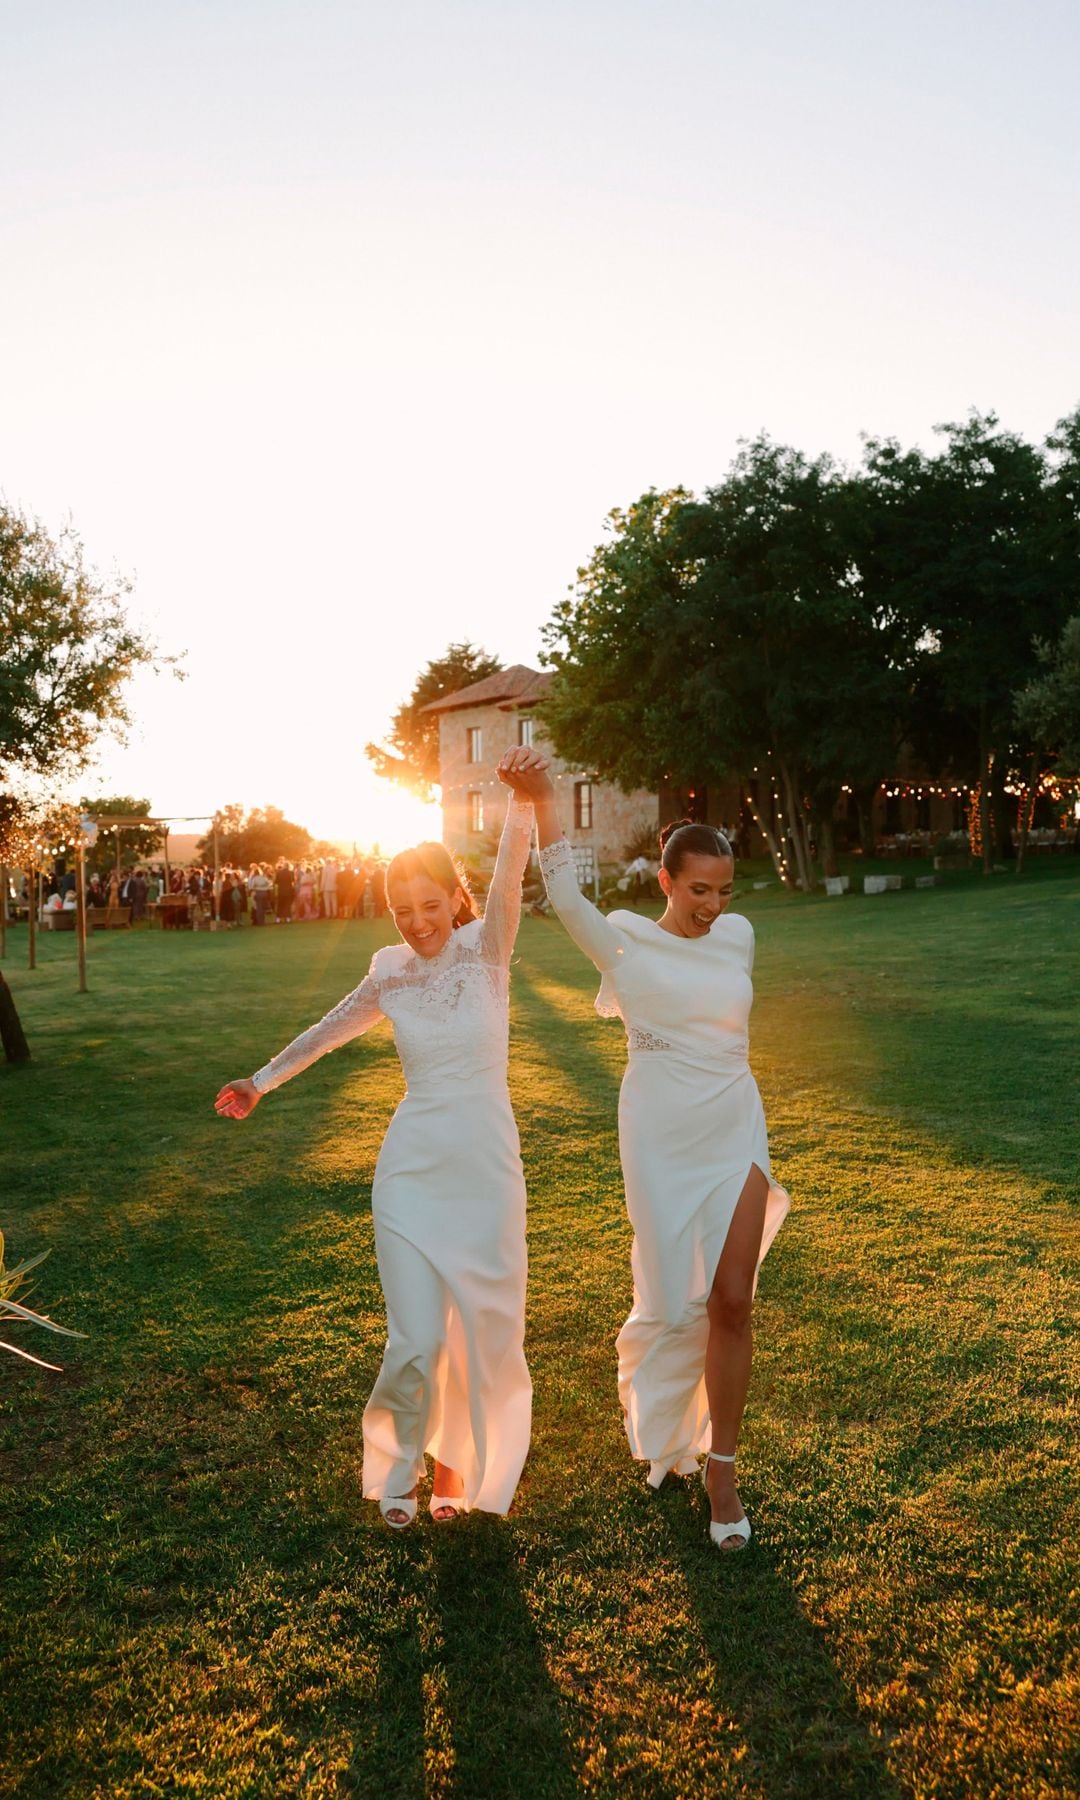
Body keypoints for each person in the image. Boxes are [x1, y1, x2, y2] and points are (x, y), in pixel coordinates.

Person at [213, 760, 544, 1527]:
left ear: (455, 899)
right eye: (401, 911)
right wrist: (262, 1080)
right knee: (418, 1337)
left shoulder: (489, 949)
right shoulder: (389, 972)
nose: (418, 923)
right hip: (411, 1170)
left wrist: (521, 801)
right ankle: (398, 1473)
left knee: (484, 1332)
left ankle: (459, 1471)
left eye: (430, 906)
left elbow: (510, 868)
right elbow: (329, 1030)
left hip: (486, 1167)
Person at [500, 759, 789, 1553]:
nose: (714, 906)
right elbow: (563, 898)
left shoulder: (740, 937)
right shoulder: (623, 943)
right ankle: (667, 1427)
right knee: (673, 1305)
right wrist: (545, 804)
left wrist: (727, 917)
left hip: (735, 1122)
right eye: (699, 890)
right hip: (662, 1134)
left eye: (725, 891)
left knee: (733, 1298)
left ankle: (722, 1470)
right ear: (665, 879)